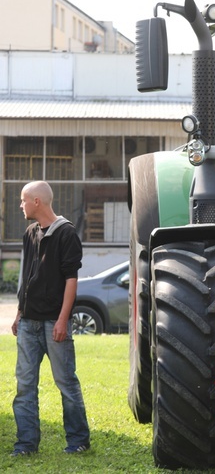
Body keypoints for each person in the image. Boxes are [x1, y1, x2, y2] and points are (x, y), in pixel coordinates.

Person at [10, 181, 90, 457]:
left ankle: (78, 440)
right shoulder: (30, 233)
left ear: (36, 202)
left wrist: (62, 320)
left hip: (53, 323)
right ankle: (25, 445)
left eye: (23, 200)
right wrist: (19, 312)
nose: (19, 205)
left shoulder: (66, 234)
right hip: (28, 323)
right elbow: (27, 276)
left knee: (66, 384)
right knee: (24, 386)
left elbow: (71, 280)